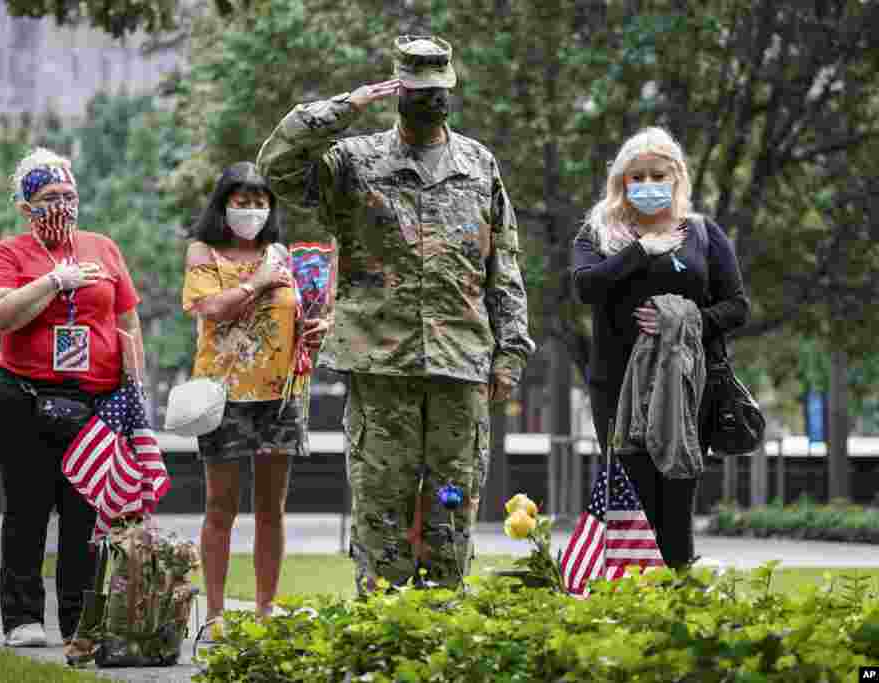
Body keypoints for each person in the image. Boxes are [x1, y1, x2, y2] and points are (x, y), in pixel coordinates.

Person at [258, 36, 535, 593]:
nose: (430, 102)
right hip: (381, 364)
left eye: (439, 91)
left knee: (452, 505)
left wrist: (510, 353)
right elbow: (278, 168)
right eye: (416, 91)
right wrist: (347, 105)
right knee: (381, 504)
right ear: (396, 90)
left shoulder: (478, 164)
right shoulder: (354, 163)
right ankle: (384, 632)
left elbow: (502, 263)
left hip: (461, 362)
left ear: (450, 89)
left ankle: (441, 629)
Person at [0, 147, 145, 647]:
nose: (63, 205)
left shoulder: (103, 248)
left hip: (93, 403)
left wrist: (135, 389)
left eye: (69, 195)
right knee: (27, 509)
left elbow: (127, 320)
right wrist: (53, 282)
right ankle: (23, 618)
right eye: (50, 197)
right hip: (25, 400)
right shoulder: (11, 254)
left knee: (83, 516)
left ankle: (78, 621)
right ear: (26, 207)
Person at [572, 127, 749, 568]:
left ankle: (679, 599)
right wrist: (641, 251)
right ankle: (626, 607)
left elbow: (737, 306)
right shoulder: (598, 234)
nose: (648, 185)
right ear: (621, 182)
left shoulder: (702, 234)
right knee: (629, 497)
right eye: (637, 177)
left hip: (688, 388)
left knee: (676, 496)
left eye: (658, 175)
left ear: (676, 178)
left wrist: (687, 320)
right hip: (616, 389)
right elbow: (585, 287)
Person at [181, 161, 324, 642]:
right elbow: (212, 310)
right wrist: (261, 280)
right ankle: (216, 616)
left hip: (279, 395)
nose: (251, 209)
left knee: (272, 508)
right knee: (221, 506)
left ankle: (266, 611)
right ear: (223, 204)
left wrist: (313, 330)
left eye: (260, 201)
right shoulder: (204, 252)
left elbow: (292, 313)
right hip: (222, 397)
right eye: (241, 200)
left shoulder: (282, 253)